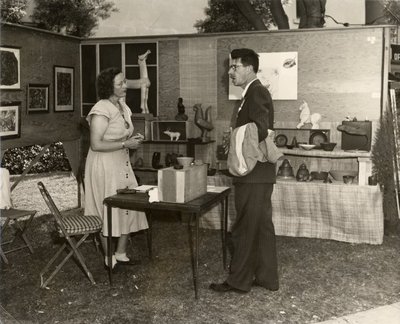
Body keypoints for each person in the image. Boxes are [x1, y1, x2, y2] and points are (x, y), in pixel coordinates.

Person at [209, 48, 279, 293]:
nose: (230, 72)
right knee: (260, 226)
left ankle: (238, 281)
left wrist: (234, 137)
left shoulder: (257, 92)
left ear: (249, 68)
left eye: (234, 67)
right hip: (260, 173)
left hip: (254, 174)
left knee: (244, 228)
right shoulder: (252, 93)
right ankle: (267, 277)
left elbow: (260, 129)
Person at [84, 67, 148, 269]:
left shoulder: (123, 106)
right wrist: (124, 144)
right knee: (106, 208)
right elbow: (96, 144)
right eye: (120, 84)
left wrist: (132, 139)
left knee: (129, 204)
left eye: (125, 82)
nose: (125, 86)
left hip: (122, 163)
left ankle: (121, 253)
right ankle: (108, 257)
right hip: (103, 165)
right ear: (108, 87)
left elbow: (123, 133)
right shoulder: (100, 109)